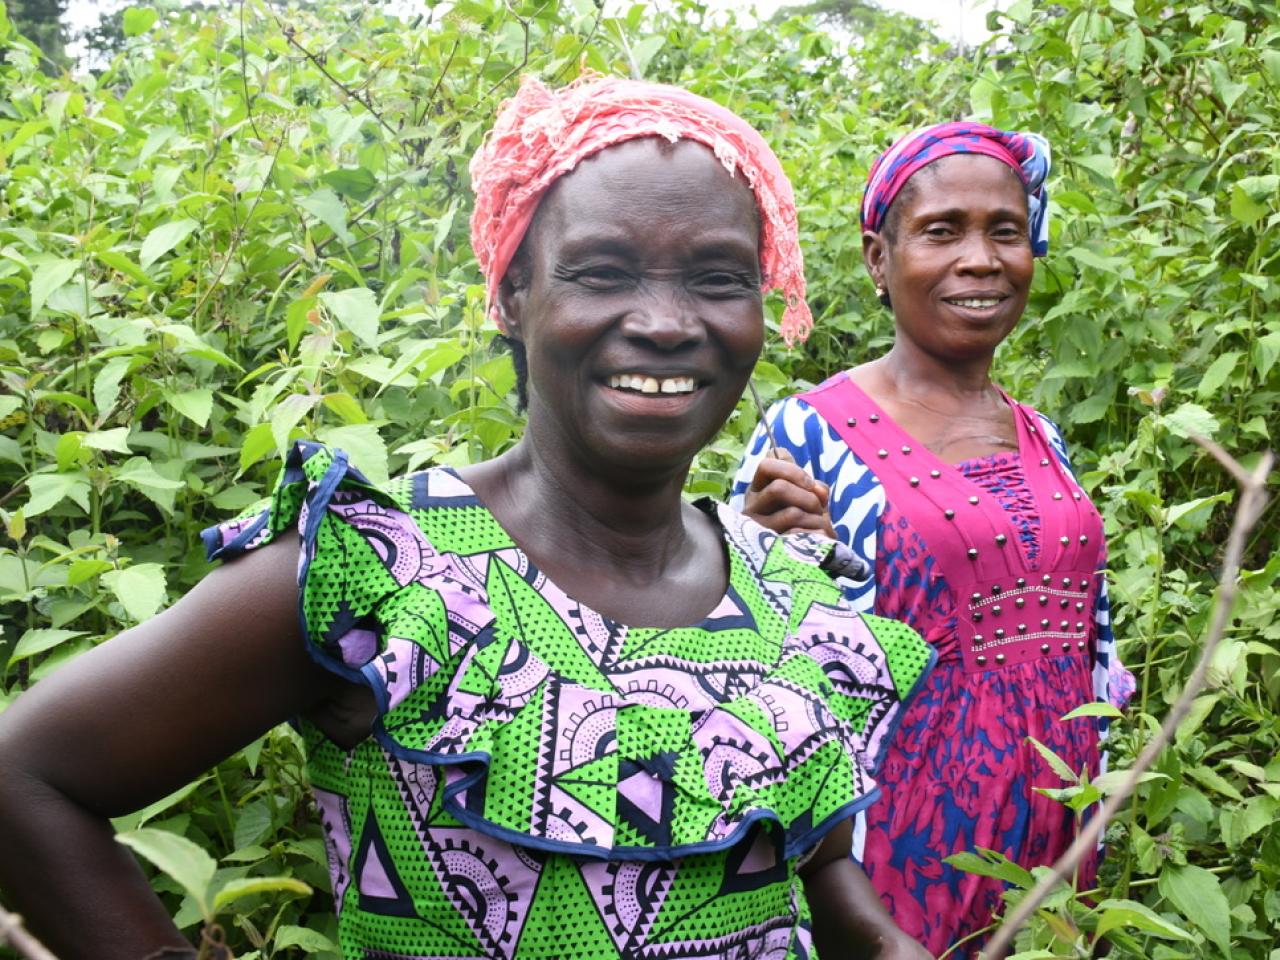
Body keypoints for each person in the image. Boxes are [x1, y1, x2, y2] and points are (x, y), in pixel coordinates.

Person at [0, 75, 936, 960]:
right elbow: (22, 777)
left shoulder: (789, 595)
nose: (664, 322)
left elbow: (819, 869)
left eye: (719, 278)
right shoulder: (390, 569)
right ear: (515, 294)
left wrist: (882, 938)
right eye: (603, 271)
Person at [731, 122, 1134, 957]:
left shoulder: (1043, 436)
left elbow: (1087, 646)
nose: (981, 259)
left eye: (1006, 231)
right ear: (880, 258)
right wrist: (764, 558)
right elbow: (742, 657)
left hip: (1060, 835)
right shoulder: (812, 434)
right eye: (942, 231)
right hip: (899, 851)